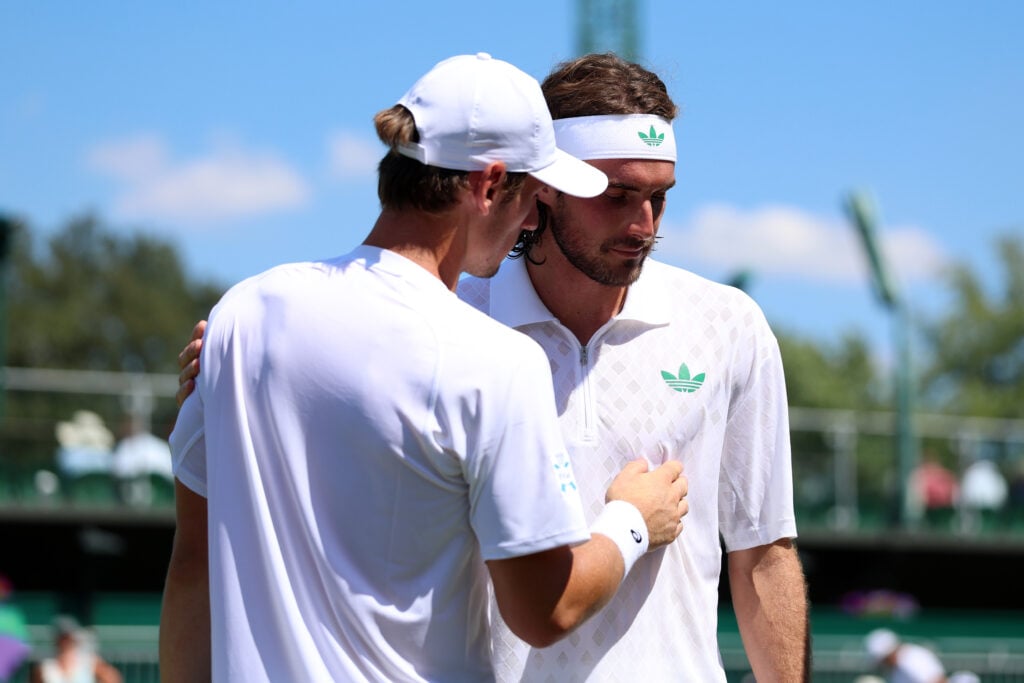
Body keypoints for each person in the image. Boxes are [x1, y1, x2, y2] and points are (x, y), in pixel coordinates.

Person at [176, 52, 808, 681]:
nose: (643, 224)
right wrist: (633, 523)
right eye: (612, 195)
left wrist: (226, 383)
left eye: (659, 198)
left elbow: (197, 559)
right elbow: (546, 608)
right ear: (499, 186)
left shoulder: (241, 318)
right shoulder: (482, 346)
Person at [30, 615, 122, 683]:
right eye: (63, 637)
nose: (66, 641)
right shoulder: (46, 667)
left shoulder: (90, 662)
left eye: (68, 637)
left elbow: (113, 678)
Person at [864, 628, 947, 683]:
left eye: (884, 659)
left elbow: (939, 681)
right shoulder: (896, 667)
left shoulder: (912, 659)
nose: (883, 663)